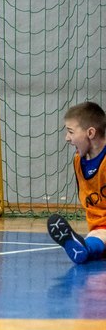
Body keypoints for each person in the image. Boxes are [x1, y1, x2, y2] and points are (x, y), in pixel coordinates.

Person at [48, 101, 106, 264]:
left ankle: (88, 247)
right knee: (96, 239)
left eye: (71, 132)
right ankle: (87, 248)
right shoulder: (78, 162)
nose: (67, 138)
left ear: (91, 133)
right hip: (99, 228)